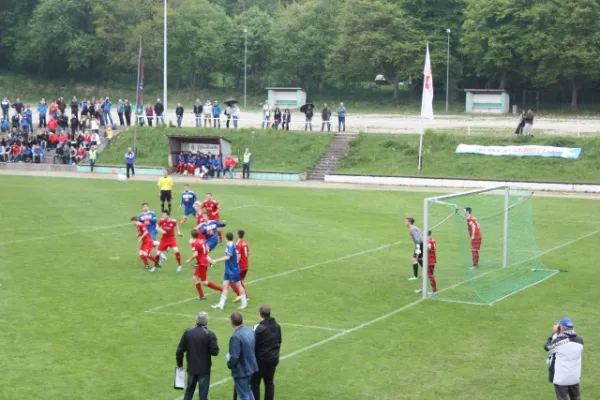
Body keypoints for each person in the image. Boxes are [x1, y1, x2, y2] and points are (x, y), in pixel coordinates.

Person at [176, 312, 220, 400]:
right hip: (204, 370)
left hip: (191, 368)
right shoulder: (209, 334)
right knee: (203, 396)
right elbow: (215, 352)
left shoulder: (188, 332)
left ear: (196, 320)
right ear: (206, 321)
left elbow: (179, 351)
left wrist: (180, 365)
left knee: (189, 392)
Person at [544, 317, 583, 400]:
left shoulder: (558, 341)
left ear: (561, 328)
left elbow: (547, 347)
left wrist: (554, 334)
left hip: (561, 379)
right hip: (575, 378)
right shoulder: (580, 341)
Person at [251, 304, 282, 400]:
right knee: (269, 382)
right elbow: (279, 341)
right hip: (273, 358)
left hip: (261, 359)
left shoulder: (259, 328)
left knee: (255, 382)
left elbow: (253, 344)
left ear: (260, 314)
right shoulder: (277, 326)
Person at [211, 232, 248, 310]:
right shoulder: (230, 245)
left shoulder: (230, 245)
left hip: (233, 270)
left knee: (239, 285)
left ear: (226, 238)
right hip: (228, 270)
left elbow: (228, 257)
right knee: (225, 286)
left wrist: (216, 260)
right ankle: (221, 304)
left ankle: (244, 303)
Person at [227, 312, 258, 400]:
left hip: (241, 370)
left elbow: (234, 357)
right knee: (248, 390)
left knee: (244, 395)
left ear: (232, 323)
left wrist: (229, 364)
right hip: (250, 366)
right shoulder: (250, 331)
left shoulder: (235, 337)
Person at [185, 229, 223, 300]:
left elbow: (196, 254)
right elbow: (207, 250)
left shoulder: (196, 243)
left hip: (202, 264)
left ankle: (221, 289)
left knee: (204, 282)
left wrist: (189, 260)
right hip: (202, 262)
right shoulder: (202, 241)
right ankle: (201, 296)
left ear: (192, 236)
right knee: (195, 278)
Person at [415, 230, 438, 296]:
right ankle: (423, 289)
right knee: (424, 274)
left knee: (430, 275)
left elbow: (429, 248)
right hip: (430, 260)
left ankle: (435, 291)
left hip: (429, 261)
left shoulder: (428, 240)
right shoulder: (431, 239)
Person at [233, 230, 249, 303]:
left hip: (240, 266)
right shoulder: (245, 243)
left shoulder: (238, 244)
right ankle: (245, 295)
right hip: (246, 265)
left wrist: (235, 264)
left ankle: (240, 295)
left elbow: (238, 256)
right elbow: (248, 253)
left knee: (232, 281)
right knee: (240, 281)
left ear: (237, 235)